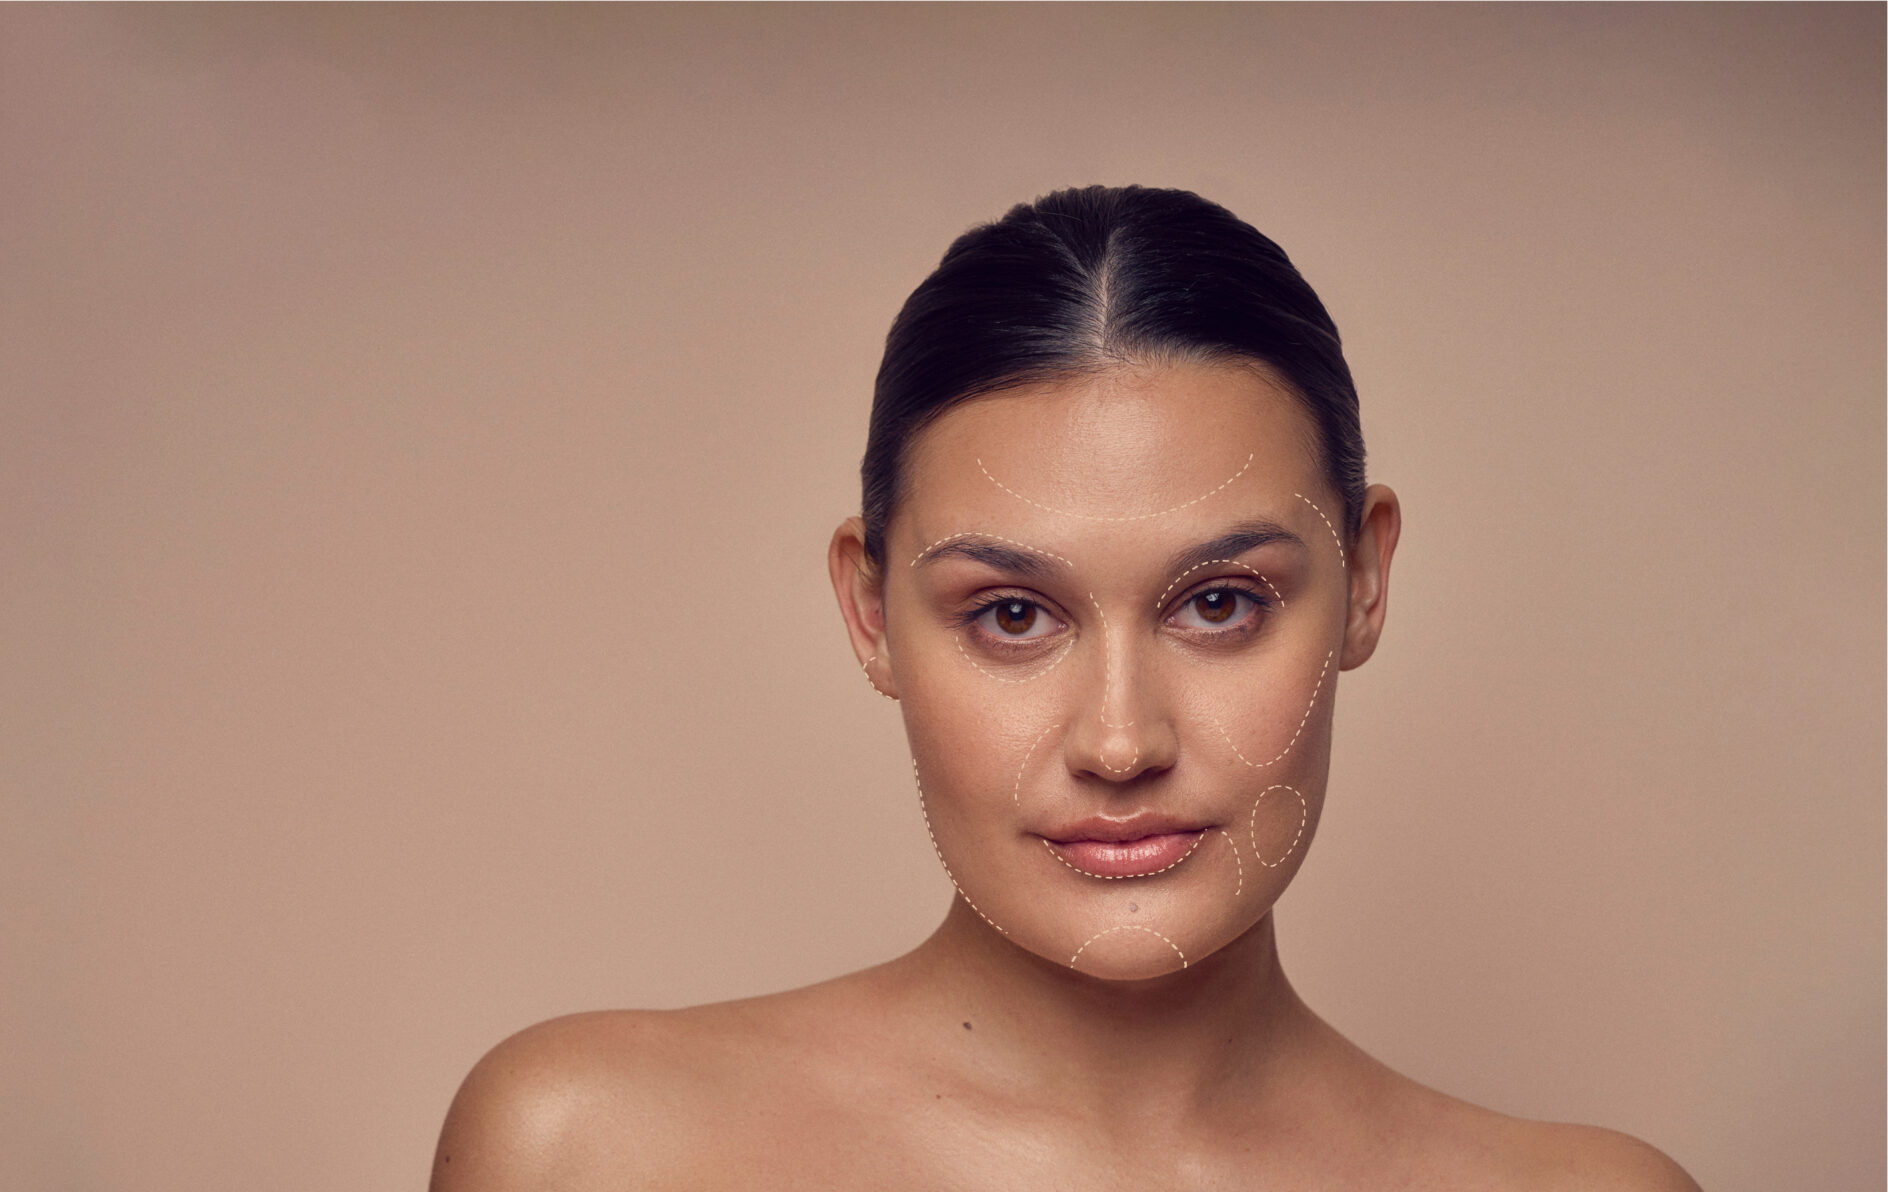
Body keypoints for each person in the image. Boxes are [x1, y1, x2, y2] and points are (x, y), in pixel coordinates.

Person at [430, 186, 1699, 1190]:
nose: (1118, 739)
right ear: (869, 612)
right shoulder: (591, 1151)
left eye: (1219, 603)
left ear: (1364, 579)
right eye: (1013, 615)